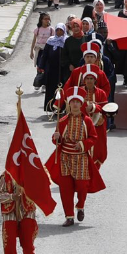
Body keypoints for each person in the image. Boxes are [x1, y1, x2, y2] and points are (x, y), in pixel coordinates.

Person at [46, 88, 105, 226]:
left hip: (81, 159)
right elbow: (56, 141)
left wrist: (84, 144)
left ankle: (80, 206)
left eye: (78, 102)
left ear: (81, 103)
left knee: (82, 186)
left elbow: (94, 138)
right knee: (65, 188)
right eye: (73, 102)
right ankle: (69, 216)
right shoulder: (62, 121)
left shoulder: (88, 121)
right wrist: (56, 138)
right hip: (65, 158)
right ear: (69, 103)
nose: (75, 105)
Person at [0, 166, 39, 254]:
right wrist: (12, 197)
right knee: (9, 243)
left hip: (27, 210)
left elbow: (39, 190)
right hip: (9, 212)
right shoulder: (5, 176)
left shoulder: (32, 173)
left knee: (27, 241)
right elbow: (0, 194)